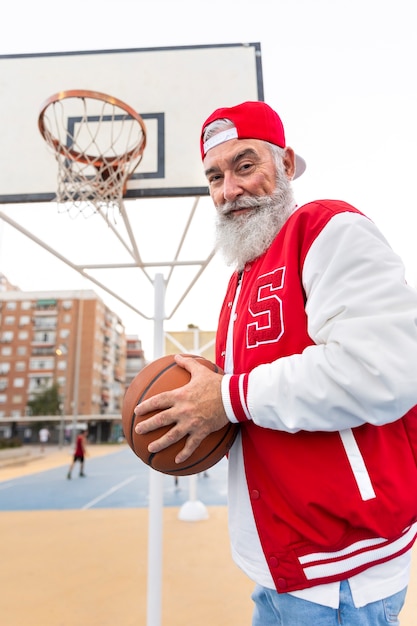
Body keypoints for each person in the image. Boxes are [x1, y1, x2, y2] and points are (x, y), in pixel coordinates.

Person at [134, 101, 417, 625]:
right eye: (215, 177)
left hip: (342, 578)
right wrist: (203, 418)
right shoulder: (242, 277)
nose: (228, 190)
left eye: (245, 166)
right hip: (279, 568)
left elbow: (383, 371)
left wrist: (224, 397)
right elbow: (252, 403)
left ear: (286, 164)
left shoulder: (329, 228)